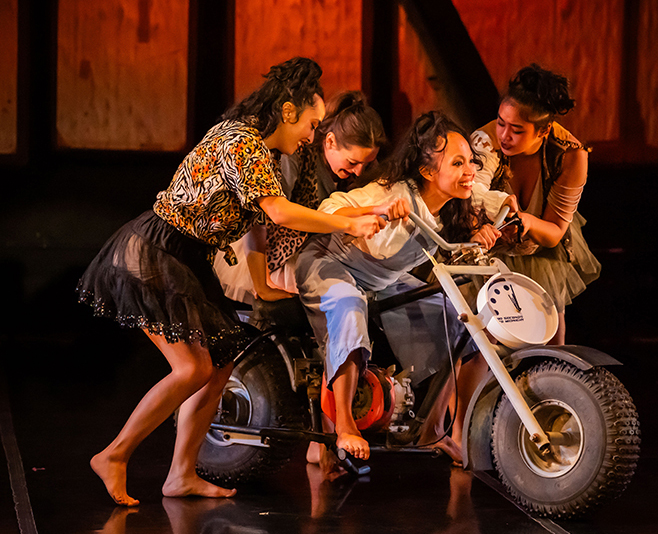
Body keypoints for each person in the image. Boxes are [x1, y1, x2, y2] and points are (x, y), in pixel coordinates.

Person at [76, 57, 385, 506]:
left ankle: (180, 474)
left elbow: (314, 215)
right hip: (157, 250)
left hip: (188, 257)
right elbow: (278, 212)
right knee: (192, 368)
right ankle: (114, 454)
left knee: (218, 364)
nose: (313, 136)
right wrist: (351, 227)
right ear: (288, 111)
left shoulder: (276, 155)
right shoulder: (241, 142)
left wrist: (371, 212)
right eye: (313, 124)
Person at [292, 110, 509, 466]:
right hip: (331, 263)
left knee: (467, 330)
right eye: (458, 163)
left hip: (382, 280)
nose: (469, 170)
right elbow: (331, 208)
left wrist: (480, 232)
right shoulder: (395, 191)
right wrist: (376, 209)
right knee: (347, 308)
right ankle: (345, 426)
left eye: (471, 160)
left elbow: (482, 201)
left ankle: (442, 430)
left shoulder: (453, 206)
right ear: (427, 171)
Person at [214, 90, 387, 304]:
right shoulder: (296, 155)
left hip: (315, 255)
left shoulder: (356, 174)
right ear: (330, 141)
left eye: (366, 164)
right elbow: (259, 220)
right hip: (272, 255)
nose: (360, 171)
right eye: (353, 162)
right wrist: (263, 283)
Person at [471, 63, 601, 345]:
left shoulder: (569, 155)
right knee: (486, 349)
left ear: (543, 131)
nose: (504, 134)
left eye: (516, 130)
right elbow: (471, 196)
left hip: (540, 252)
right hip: (490, 253)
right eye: (500, 121)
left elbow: (554, 231)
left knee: (550, 349)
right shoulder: (485, 142)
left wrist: (527, 221)